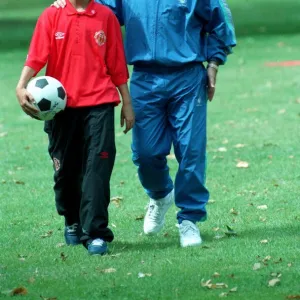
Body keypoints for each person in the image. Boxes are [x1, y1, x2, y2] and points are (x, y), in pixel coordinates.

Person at [52, 0, 236, 247]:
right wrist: (66, 5)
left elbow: (220, 19)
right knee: (145, 154)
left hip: (188, 77)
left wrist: (214, 63)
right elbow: (96, 11)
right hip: (145, 79)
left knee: (191, 151)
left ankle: (189, 219)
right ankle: (160, 195)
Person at [16, 0, 135, 255]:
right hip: (61, 108)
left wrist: (127, 102)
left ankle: (96, 234)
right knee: (65, 172)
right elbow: (37, 54)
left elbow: (116, 62)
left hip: (100, 104)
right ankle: (72, 219)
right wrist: (21, 85)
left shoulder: (106, 17)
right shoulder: (52, 15)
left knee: (97, 168)